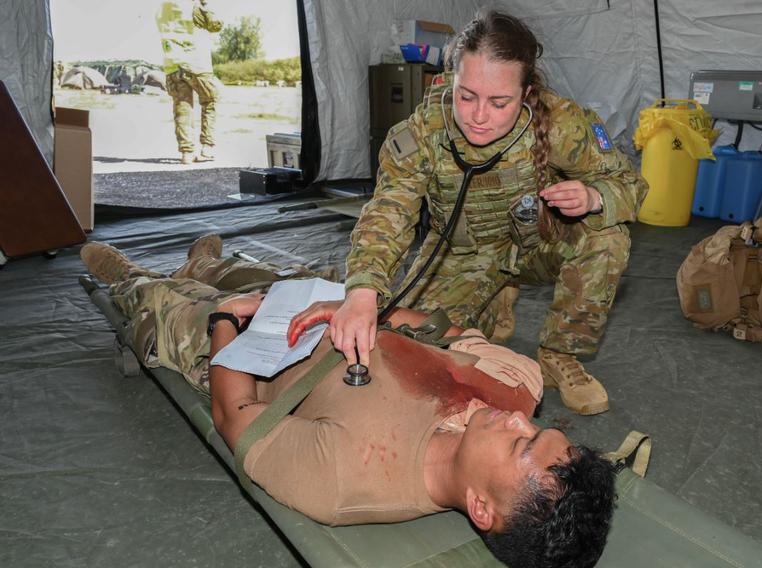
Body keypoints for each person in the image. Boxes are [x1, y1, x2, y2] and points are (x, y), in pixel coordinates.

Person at [80, 236, 618, 568]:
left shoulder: (344, 480)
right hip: (320, 305)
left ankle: (136, 277)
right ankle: (204, 266)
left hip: (252, 345)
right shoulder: (518, 382)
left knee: (168, 306)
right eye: (539, 428)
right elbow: (446, 330)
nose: (522, 418)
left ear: (482, 508)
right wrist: (346, 305)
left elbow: (233, 414)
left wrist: (231, 321)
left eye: (521, 444)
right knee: (260, 273)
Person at [335, 10, 648, 416]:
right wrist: (362, 291)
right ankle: (493, 297)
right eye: (467, 96)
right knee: (414, 349)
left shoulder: (561, 123)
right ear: (450, 81)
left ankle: (559, 353)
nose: (479, 116)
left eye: (500, 102)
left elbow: (629, 182)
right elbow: (389, 209)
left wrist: (593, 196)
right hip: (461, 253)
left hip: (537, 243)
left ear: (526, 92)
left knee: (607, 236)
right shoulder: (425, 132)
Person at [156, 0, 222, 165]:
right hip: (196, 63)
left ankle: (187, 153)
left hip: (172, 64)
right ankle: (207, 148)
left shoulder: (163, 7)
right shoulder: (193, 5)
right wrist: (205, 5)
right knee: (210, 100)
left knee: (182, 108)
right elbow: (216, 25)